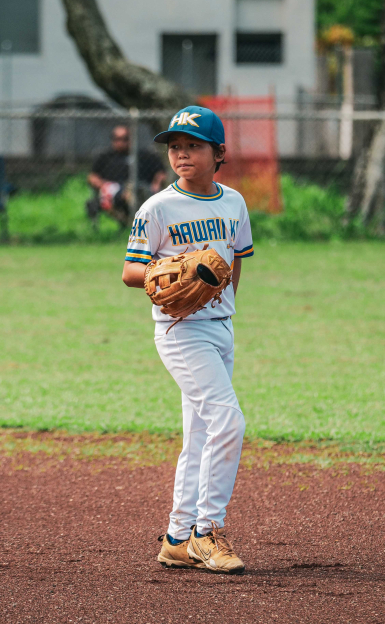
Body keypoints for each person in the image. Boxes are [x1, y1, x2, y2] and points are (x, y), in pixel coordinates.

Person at [121, 106, 254, 574]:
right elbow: (130, 271)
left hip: (221, 327)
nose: (181, 154)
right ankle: (206, 532)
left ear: (218, 153)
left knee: (200, 433)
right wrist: (168, 271)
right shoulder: (158, 208)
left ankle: (177, 538)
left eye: (193, 146)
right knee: (228, 422)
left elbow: (236, 259)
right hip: (180, 331)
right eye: (175, 146)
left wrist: (224, 304)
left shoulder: (234, 202)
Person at [87, 125, 166, 228]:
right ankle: (129, 220)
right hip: (113, 188)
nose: (121, 142)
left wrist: (156, 184)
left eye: (125, 139)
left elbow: (161, 173)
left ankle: (133, 219)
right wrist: (103, 185)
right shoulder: (105, 156)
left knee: (136, 190)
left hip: (140, 187)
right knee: (112, 193)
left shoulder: (144, 155)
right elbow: (92, 176)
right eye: (117, 139)